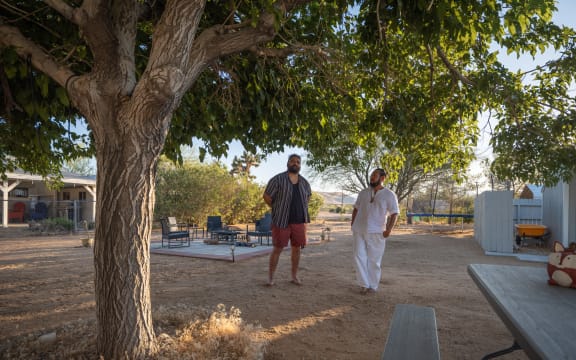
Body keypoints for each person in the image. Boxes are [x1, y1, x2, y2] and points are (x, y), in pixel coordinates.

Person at [263, 154, 312, 286]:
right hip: (281, 220)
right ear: (287, 163)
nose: (295, 163)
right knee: (277, 248)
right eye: (292, 161)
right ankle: (271, 278)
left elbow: (308, 197)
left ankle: (294, 276)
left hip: (299, 221)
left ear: (300, 165)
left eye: (298, 162)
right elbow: (267, 196)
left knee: (296, 249)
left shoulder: (305, 183)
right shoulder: (278, 179)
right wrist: (277, 208)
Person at [351, 168, 399, 294]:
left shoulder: (389, 194)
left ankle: (373, 286)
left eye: (375, 175)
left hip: (377, 231)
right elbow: (356, 208)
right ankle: (364, 284)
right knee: (358, 256)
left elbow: (394, 213)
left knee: (374, 260)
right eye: (371, 175)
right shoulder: (363, 193)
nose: (372, 177)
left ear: (382, 178)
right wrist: (352, 224)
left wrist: (388, 230)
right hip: (359, 229)